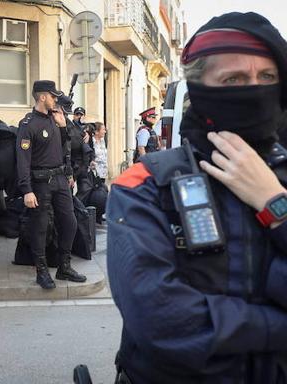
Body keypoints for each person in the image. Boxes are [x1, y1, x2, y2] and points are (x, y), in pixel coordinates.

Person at [107, 12, 287, 383]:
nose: (253, 88)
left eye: (266, 77)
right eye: (233, 79)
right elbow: (163, 325)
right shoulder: (143, 184)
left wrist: (274, 203)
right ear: (200, 89)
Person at [16, 81, 86, 289]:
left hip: (60, 180)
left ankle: (64, 267)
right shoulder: (28, 124)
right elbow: (23, 160)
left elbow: (72, 146)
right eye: (53, 96)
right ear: (42, 97)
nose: (56, 100)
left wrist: (64, 126)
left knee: (70, 222)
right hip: (40, 183)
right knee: (40, 228)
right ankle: (42, 270)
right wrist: (26, 190)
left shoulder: (57, 119)